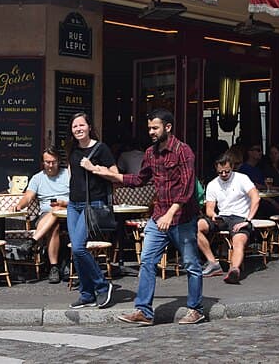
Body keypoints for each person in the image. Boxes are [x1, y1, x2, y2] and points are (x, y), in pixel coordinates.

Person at [87, 108, 207, 327]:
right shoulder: (150, 153)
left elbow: (187, 188)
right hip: (159, 217)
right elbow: (140, 179)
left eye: (155, 127)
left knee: (191, 264)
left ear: (167, 127)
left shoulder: (183, 151)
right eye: (149, 128)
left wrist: (171, 214)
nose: (151, 131)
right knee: (147, 262)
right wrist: (110, 175)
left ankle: (195, 309)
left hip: (182, 219)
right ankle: (143, 311)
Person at [65, 112, 118, 309]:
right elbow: (72, 177)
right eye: (74, 127)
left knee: (79, 247)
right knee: (76, 251)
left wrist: (93, 167)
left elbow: (115, 175)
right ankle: (86, 294)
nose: (78, 129)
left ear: (89, 127)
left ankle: (102, 286)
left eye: (81, 125)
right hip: (73, 205)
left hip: (93, 205)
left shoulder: (100, 149)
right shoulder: (71, 149)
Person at [196, 154, 259, 284]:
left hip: (240, 217)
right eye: (221, 172)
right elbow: (209, 208)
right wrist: (213, 215)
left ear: (232, 168)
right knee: (196, 226)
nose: (224, 174)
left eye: (227, 171)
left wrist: (248, 220)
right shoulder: (213, 184)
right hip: (223, 216)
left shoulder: (242, 179)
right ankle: (213, 263)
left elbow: (256, 197)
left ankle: (234, 270)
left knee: (238, 242)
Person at [15, 147, 70, 283]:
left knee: (56, 212)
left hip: (69, 213)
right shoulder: (37, 178)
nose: (50, 165)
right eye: (47, 162)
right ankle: (54, 268)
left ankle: (33, 243)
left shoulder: (68, 174)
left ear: (59, 161)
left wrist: (63, 203)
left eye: (53, 162)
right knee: (54, 223)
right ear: (43, 163)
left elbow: (78, 197)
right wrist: (19, 205)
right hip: (46, 215)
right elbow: (28, 197)